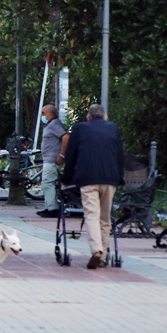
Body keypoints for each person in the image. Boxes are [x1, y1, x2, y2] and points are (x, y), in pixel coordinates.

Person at [62, 104, 125, 269]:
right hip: (110, 179)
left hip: (87, 178)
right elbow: (120, 155)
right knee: (105, 218)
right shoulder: (113, 128)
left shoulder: (80, 128)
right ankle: (102, 256)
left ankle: (96, 249)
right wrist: (120, 178)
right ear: (105, 117)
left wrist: (66, 179)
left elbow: (71, 156)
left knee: (91, 215)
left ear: (88, 117)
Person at [36, 104, 69, 219]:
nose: (42, 116)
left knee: (47, 182)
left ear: (50, 115)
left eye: (43, 113)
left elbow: (66, 137)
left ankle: (52, 209)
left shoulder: (54, 124)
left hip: (52, 159)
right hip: (49, 158)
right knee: (47, 183)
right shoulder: (51, 125)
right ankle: (49, 207)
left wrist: (61, 155)